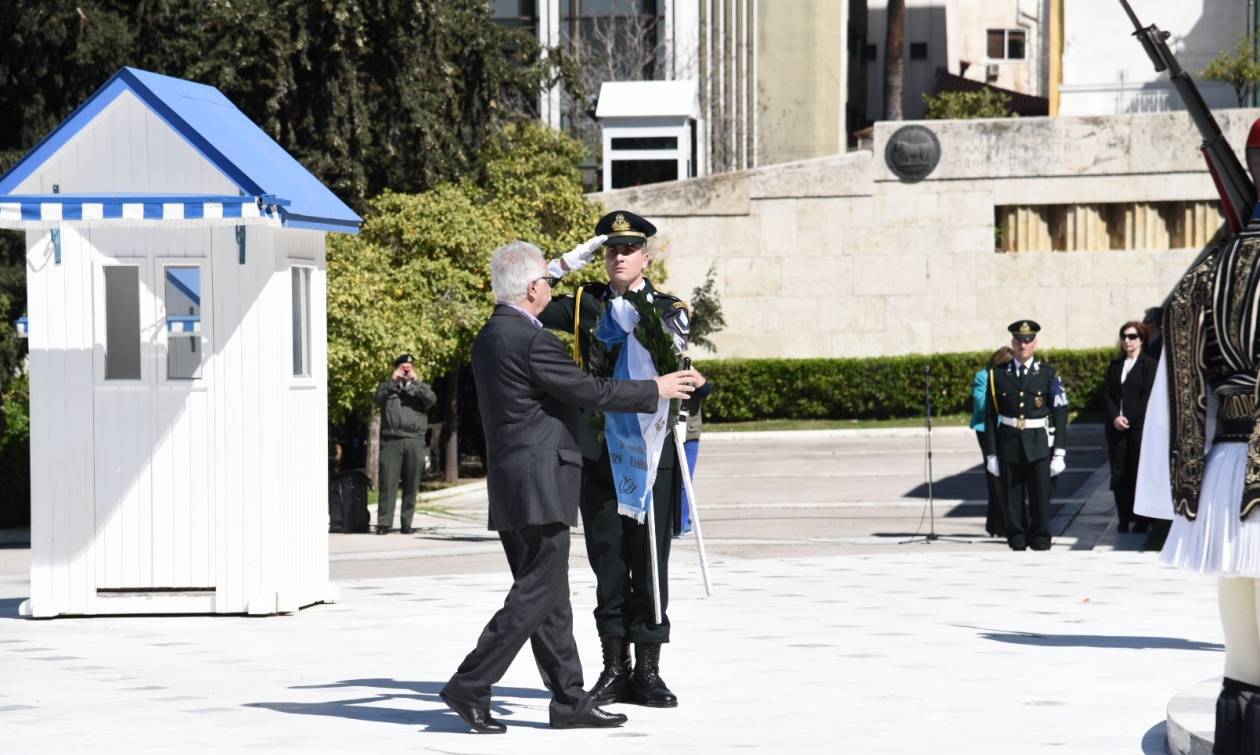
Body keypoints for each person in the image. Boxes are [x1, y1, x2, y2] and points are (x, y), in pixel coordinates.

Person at [440, 240, 701, 734]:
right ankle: (470, 683)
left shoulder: (491, 334)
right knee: (535, 595)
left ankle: (569, 699)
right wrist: (656, 389)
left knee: (551, 598)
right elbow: (590, 391)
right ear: (535, 288)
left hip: (514, 485)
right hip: (541, 484)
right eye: (544, 282)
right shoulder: (533, 340)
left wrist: (565, 262)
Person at [539, 209, 705, 708]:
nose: (617, 256)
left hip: (653, 452)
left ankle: (649, 671)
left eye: (627, 249)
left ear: (645, 257)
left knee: (650, 561)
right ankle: (615, 667)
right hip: (601, 449)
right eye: (610, 249)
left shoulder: (669, 307)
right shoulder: (585, 304)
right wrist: (568, 261)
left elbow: (671, 359)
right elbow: (528, 298)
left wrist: (633, 306)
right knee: (608, 561)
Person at [983, 320, 1069, 551]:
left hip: (1038, 444)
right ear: (1013, 342)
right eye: (1019, 340)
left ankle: (1041, 539)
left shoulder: (1048, 374)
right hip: (1009, 443)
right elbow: (990, 417)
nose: (1023, 344)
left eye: (1028, 340)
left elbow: (1061, 412)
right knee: (1012, 498)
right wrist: (991, 454)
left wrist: (1059, 451)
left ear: (1035, 343)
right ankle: (1017, 539)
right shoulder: (997, 375)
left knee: (1040, 497)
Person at [372, 354, 437, 535]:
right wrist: (393, 381)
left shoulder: (421, 388)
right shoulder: (388, 387)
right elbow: (377, 399)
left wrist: (415, 382)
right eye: (403, 367)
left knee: (411, 483)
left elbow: (431, 400)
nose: (406, 370)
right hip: (391, 440)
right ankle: (384, 523)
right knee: (388, 483)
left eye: (409, 367)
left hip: (414, 440)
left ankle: (406, 523)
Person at [1103, 320, 1157, 534]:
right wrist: (1115, 417)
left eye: (1132, 336)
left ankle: (1142, 519)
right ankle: (1124, 516)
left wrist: (1130, 419)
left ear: (1141, 339)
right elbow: (1107, 394)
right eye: (1124, 336)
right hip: (1117, 429)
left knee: (1138, 472)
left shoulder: (1149, 365)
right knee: (1119, 472)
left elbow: (1148, 397)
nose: (1127, 340)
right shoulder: (1116, 366)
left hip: (1139, 429)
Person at [971, 346, 1013, 538]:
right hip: (986, 429)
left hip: (1007, 428)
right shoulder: (983, 376)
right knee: (995, 475)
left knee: (1004, 475)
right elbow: (980, 404)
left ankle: (994, 523)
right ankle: (1005, 524)